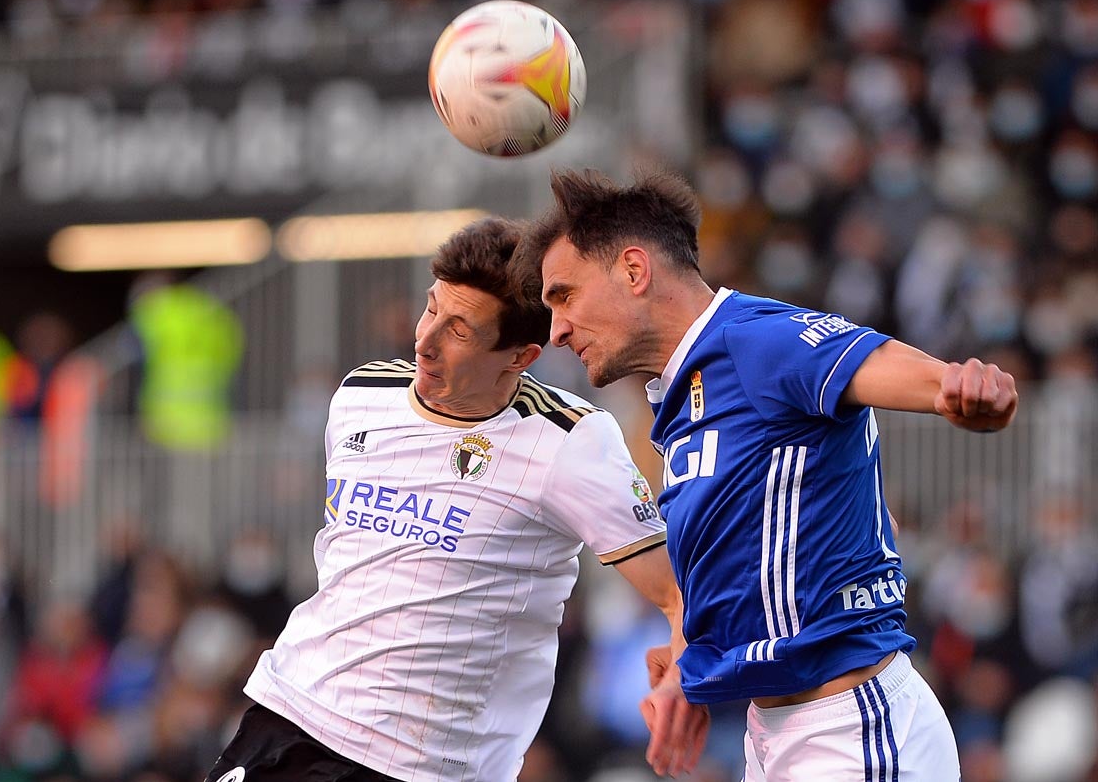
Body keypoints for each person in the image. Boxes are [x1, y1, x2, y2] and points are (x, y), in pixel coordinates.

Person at [512, 169, 1019, 781]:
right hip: (773, 733)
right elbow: (745, 563)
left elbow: (881, 363)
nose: (557, 329)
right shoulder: (680, 397)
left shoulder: (754, 339)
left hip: (851, 729)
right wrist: (688, 671)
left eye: (564, 295)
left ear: (634, 271)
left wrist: (960, 390)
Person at [206, 218, 708, 782]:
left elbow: (680, 590)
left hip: (418, 764)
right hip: (288, 712)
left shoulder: (570, 441)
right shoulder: (362, 394)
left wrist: (682, 677)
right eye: (430, 309)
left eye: (461, 331)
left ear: (520, 357)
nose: (425, 341)